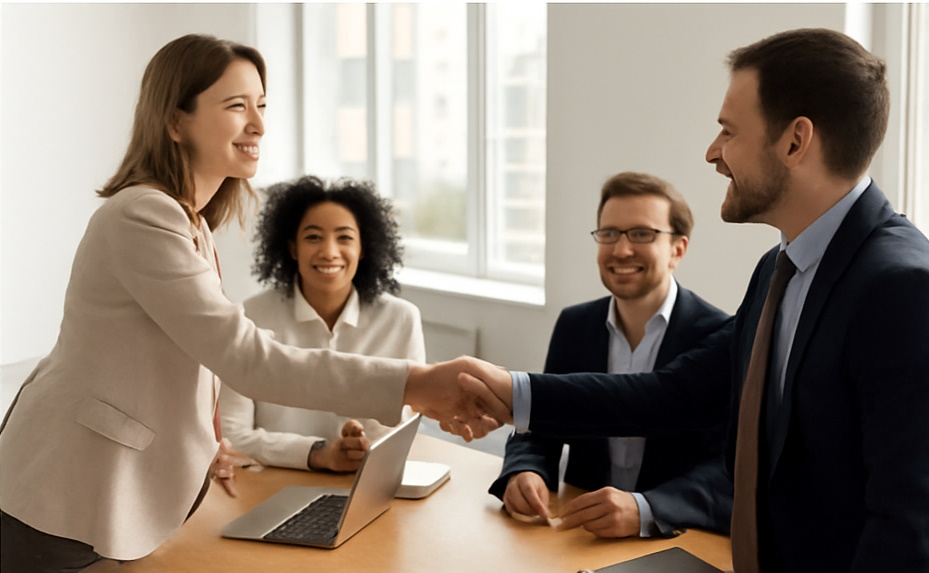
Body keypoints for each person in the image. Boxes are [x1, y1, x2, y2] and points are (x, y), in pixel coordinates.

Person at [0, 34, 504, 573]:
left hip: (115, 494)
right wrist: (417, 383)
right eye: (237, 106)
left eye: (261, 106)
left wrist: (199, 445)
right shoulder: (142, 218)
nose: (259, 125)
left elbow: (181, 366)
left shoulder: (190, 223)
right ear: (175, 121)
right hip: (66, 494)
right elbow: (246, 359)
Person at [459, 28, 929, 572]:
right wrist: (510, 391)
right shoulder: (780, 269)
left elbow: (909, 527)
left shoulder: (901, 286)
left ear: (796, 142)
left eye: (727, 131)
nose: (712, 153)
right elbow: (676, 393)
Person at [489, 172, 733, 538]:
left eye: (641, 234)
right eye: (609, 234)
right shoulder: (575, 324)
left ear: (677, 250)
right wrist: (525, 471)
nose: (621, 249)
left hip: (674, 540)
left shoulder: (719, 335)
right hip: (579, 534)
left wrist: (648, 510)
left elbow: (726, 468)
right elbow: (540, 427)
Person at [220, 175, 424, 472]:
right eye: (313, 237)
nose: (329, 252)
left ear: (364, 248)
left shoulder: (401, 319)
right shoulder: (249, 317)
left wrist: (359, 447)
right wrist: (318, 453)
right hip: (273, 482)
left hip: (367, 484)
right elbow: (231, 435)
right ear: (292, 248)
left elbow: (399, 432)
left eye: (344, 238)